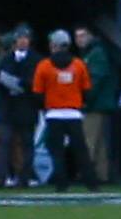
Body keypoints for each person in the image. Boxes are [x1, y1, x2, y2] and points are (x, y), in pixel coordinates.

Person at [32, 29, 97, 191]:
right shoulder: (78, 65)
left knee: (57, 152)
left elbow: (38, 93)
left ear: (53, 45)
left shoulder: (44, 66)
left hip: (53, 113)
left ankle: (61, 184)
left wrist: (46, 106)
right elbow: (87, 90)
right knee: (81, 151)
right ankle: (91, 184)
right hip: (74, 113)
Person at [0, 26, 41, 187]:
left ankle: (25, 177)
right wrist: (6, 83)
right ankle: (1, 177)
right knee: (4, 142)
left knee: (27, 143)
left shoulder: (36, 59)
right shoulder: (6, 59)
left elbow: (37, 83)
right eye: (20, 38)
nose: (22, 41)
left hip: (26, 107)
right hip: (8, 107)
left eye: (25, 38)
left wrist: (20, 84)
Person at [74, 26, 118, 182]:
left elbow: (95, 80)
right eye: (77, 36)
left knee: (89, 140)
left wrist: (85, 99)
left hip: (96, 104)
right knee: (99, 142)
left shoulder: (96, 54)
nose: (80, 39)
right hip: (99, 103)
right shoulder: (92, 53)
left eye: (83, 35)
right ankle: (101, 174)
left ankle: (87, 173)